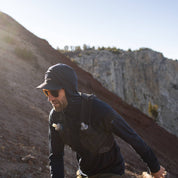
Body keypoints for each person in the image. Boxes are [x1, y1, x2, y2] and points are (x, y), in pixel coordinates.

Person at [37, 63, 167, 178]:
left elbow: (131, 137)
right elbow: (56, 156)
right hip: (85, 173)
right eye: (46, 92)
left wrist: (154, 168)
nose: (50, 98)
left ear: (69, 89)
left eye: (53, 92)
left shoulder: (97, 108)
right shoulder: (55, 116)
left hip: (111, 171)